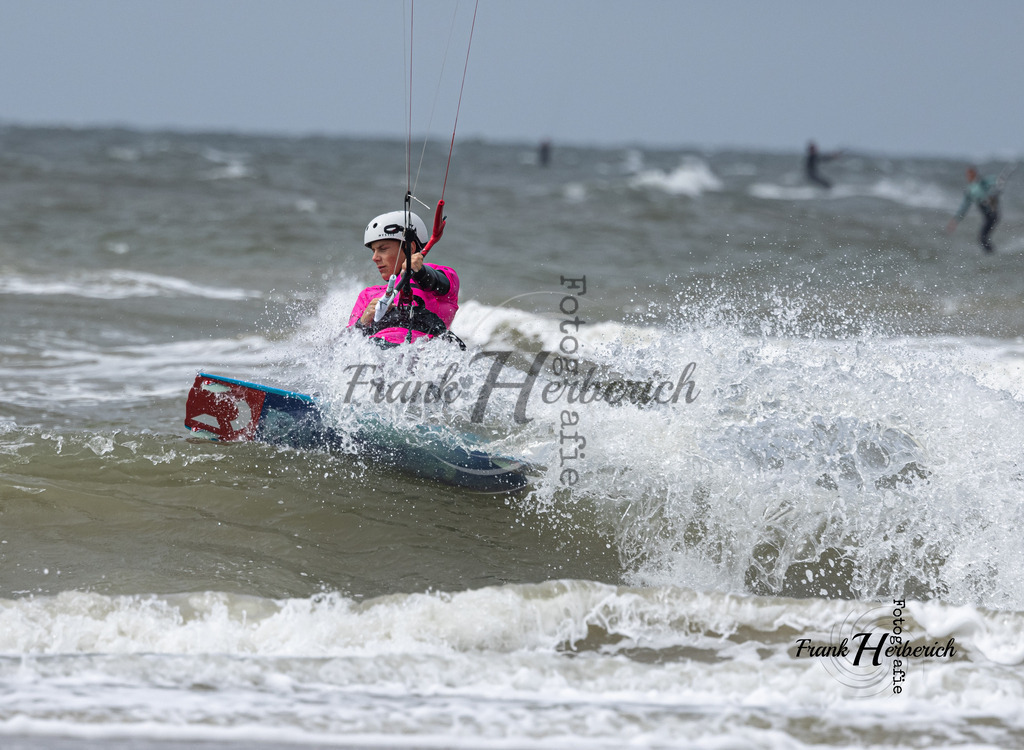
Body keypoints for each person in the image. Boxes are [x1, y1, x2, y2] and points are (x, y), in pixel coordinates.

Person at [347, 210, 461, 347]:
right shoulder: (367, 295)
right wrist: (363, 322)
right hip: (375, 353)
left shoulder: (440, 274)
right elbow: (345, 344)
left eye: (382, 249)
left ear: (409, 248)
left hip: (425, 355)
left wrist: (420, 271)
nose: (374, 258)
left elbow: (437, 282)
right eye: (373, 251)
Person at [946, 166, 1001, 253]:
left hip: (993, 213)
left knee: (983, 238)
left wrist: (998, 181)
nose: (969, 177)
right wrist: (955, 220)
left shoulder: (983, 182)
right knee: (982, 238)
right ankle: (992, 253)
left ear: (975, 174)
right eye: (968, 175)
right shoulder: (970, 191)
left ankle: (992, 254)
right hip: (987, 215)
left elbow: (995, 180)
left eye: (971, 174)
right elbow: (964, 207)